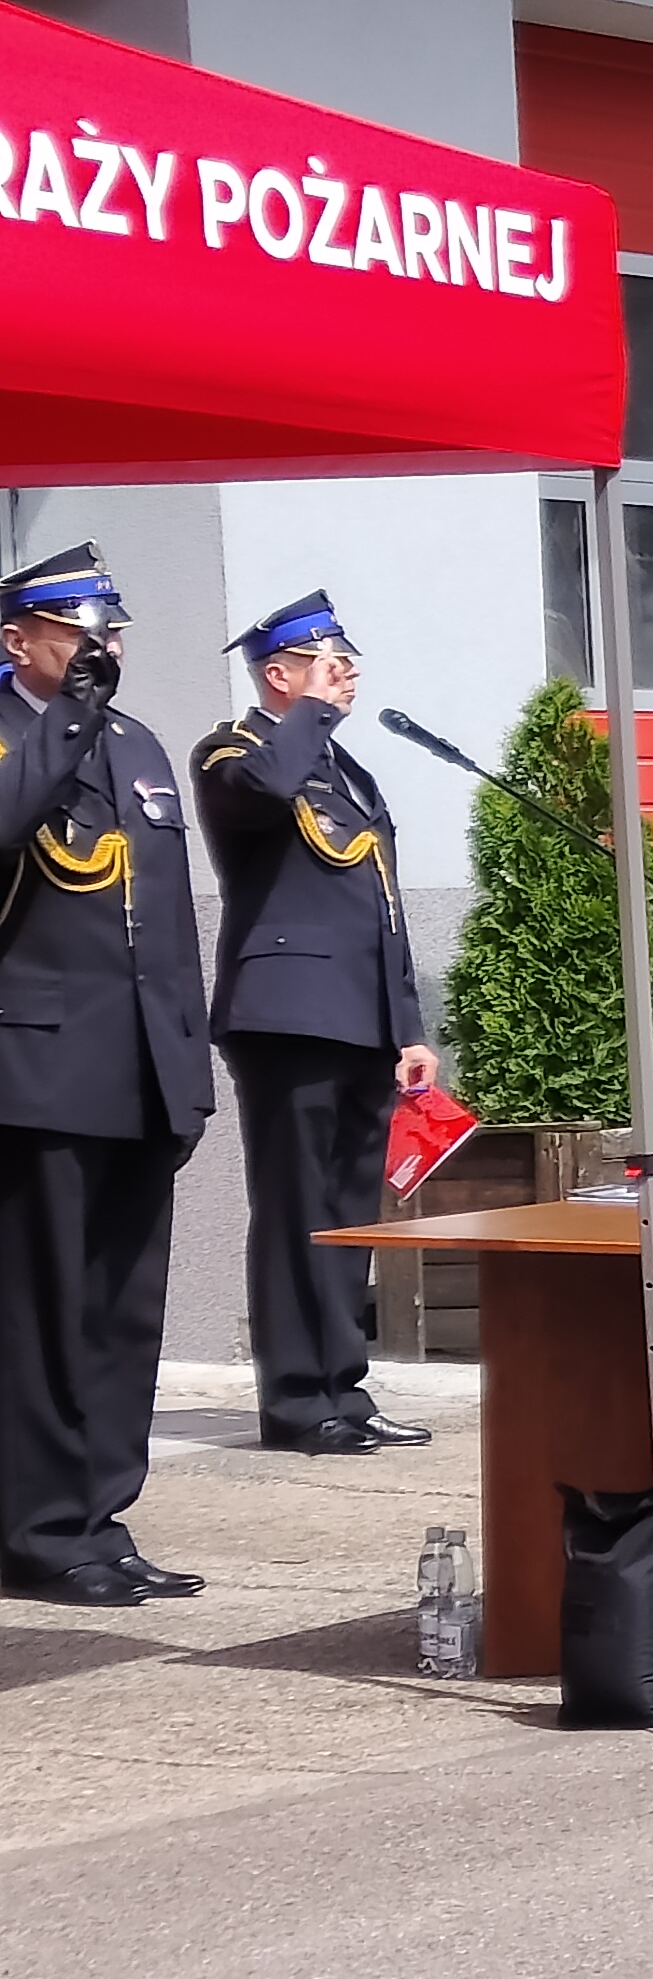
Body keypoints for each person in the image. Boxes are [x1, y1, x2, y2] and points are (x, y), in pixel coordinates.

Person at [0, 545, 213, 1608]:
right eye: (84, 632)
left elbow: (167, 926)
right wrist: (66, 720)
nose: (106, 649)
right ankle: (38, 1530)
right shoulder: (18, 736)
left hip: (141, 1069)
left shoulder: (137, 745)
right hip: (37, 1068)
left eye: (113, 633)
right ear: (18, 640)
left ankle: (101, 1513)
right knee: (45, 1311)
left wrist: (189, 1063)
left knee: (126, 1312)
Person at [191, 594, 440, 1459]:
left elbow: (385, 909)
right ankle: (297, 1400)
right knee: (296, 1209)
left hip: (362, 1021)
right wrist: (308, 715)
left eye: (347, 663)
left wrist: (407, 1025)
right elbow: (262, 792)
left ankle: (344, 1388)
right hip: (288, 1018)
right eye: (328, 661)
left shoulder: (346, 770)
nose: (347, 674)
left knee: (345, 1217)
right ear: (278, 674)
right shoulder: (237, 750)